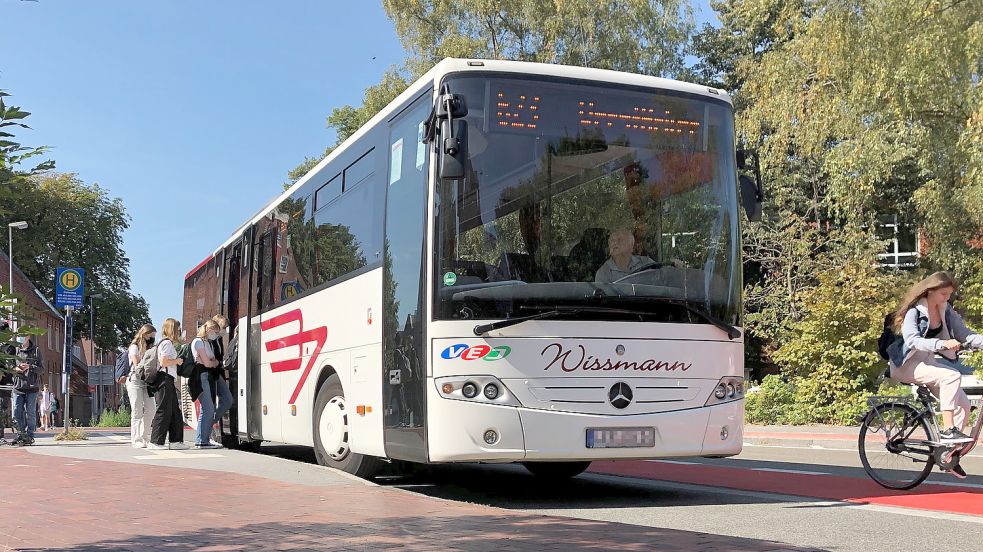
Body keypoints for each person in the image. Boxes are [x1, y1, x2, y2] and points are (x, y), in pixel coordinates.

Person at [888, 271, 983, 476]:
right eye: (943, 294)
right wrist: (941, 343)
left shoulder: (945, 310)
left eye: (949, 294)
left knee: (964, 405)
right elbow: (913, 340)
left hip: (927, 363)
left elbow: (965, 334)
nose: (947, 298)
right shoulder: (915, 312)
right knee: (951, 376)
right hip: (906, 364)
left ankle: (947, 454)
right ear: (930, 291)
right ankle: (949, 432)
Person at [148, 318, 188, 450]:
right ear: (173, 329)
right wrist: (177, 361)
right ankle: (155, 442)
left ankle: (175, 441)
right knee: (164, 409)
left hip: (167, 378)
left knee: (174, 411)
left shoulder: (164, 343)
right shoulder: (167, 344)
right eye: (178, 328)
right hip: (164, 378)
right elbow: (164, 362)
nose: (180, 331)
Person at [191, 320, 231, 448]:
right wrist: (213, 363)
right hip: (201, 376)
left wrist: (211, 362)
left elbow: (210, 360)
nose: (216, 334)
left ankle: (203, 439)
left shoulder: (207, 343)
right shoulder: (198, 342)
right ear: (208, 330)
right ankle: (201, 440)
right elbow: (209, 363)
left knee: (209, 408)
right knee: (207, 408)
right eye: (215, 332)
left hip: (208, 375)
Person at [126, 324, 158, 448]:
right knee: (137, 410)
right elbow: (137, 363)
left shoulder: (151, 347)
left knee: (151, 409)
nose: (152, 338)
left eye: (153, 336)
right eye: (150, 335)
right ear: (144, 334)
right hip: (135, 379)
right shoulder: (134, 347)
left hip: (147, 380)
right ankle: (136, 439)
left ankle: (144, 436)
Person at [11, 336, 41, 446]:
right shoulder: (15, 350)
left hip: (32, 388)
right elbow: (9, 366)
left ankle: (29, 436)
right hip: (18, 387)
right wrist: (16, 368)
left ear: (28, 337)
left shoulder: (36, 351)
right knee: (16, 411)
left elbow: (41, 369)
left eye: (23, 336)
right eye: (19, 335)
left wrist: (30, 366)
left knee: (31, 412)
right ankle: (20, 434)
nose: (20, 338)